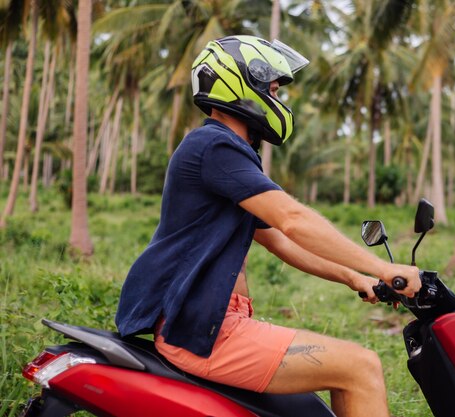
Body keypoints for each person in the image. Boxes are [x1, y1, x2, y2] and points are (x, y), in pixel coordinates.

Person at [115, 35, 421, 417]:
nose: (279, 100)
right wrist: (383, 267)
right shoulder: (215, 146)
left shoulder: (224, 151)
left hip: (214, 321)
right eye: (273, 89)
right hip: (206, 329)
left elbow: (277, 239)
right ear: (240, 83)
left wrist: (354, 278)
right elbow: (292, 221)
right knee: (362, 367)